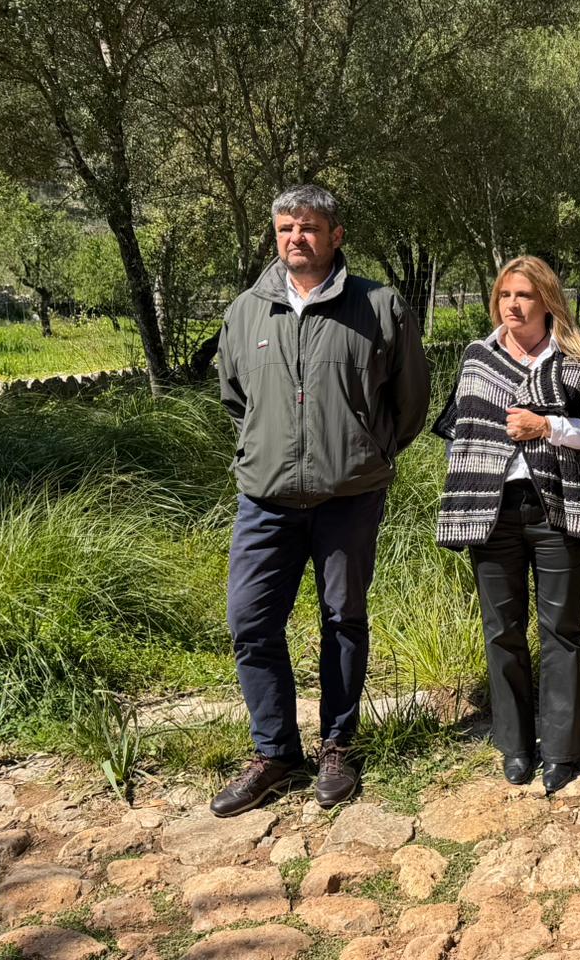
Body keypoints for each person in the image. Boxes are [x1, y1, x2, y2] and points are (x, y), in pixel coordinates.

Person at [213, 184, 430, 815]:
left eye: (307, 228)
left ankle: (337, 746)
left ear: (336, 235)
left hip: (349, 496)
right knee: (251, 623)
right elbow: (236, 398)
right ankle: (276, 753)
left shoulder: (379, 306)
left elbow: (409, 400)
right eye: (285, 229)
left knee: (342, 621)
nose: (295, 239)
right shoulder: (246, 312)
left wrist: (367, 450)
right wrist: (269, 449)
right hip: (266, 500)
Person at [432, 256, 580, 794]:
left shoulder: (574, 359)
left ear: (547, 302)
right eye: (506, 295)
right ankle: (515, 745)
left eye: (525, 296)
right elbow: (461, 432)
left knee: (562, 631)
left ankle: (562, 749)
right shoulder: (477, 359)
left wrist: (549, 426)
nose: (513, 304)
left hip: (556, 508)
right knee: (502, 631)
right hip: (491, 512)